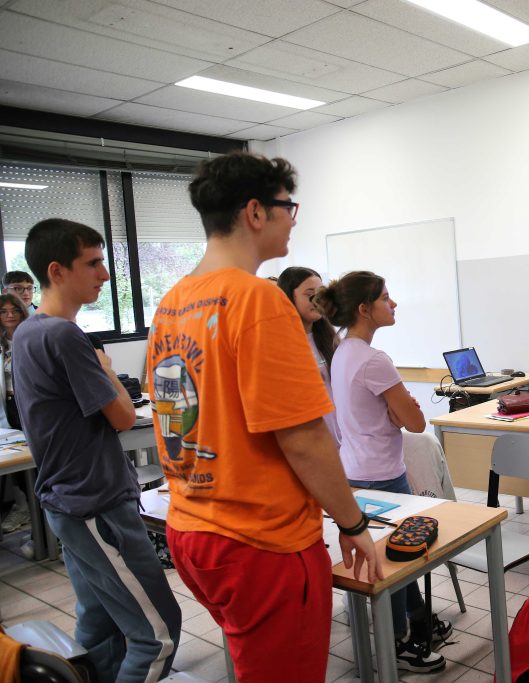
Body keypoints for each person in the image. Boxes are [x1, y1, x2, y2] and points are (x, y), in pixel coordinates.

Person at [148, 151, 380, 682]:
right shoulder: (260, 300)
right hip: (260, 544)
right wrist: (353, 522)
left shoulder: (174, 301)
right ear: (256, 212)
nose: (292, 220)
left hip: (191, 528)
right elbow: (303, 438)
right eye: (287, 207)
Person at [14, 218, 181, 681]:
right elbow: (125, 417)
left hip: (69, 502)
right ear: (57, 270)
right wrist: (106, 367)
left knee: (101, 627)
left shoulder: (29, 331)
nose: (105, 275)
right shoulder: (65, 336)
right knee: (157, 637)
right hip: (95, 505)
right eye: (93, 263)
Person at [316, 271, 450, 674]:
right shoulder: (374, 360)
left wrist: (396, 409)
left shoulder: (342, 351)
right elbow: (415, 421)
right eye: (386, 298)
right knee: (392, 565)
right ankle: (396, 647)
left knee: (395, 559)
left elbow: (393, 414)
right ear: (364, 309)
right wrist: (400, 407)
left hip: (357, 469)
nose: (393, 305)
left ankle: (420, 622)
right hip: (384, 475)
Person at [276, 266, 342, 447]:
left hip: (343, 443)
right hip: (312, 444)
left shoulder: (332, 340)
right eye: (309, 294)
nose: (317, 300)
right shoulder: (281, 345)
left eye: (321, 294)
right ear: (289, 297)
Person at [0, 293, 29, 534]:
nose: (10, 315)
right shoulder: (1, 343)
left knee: (35, 461)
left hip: (30, 402)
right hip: (7, 405)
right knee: (17, 464)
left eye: (14, 310)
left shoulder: (29, 336)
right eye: (3, 311)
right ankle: (24, 507)